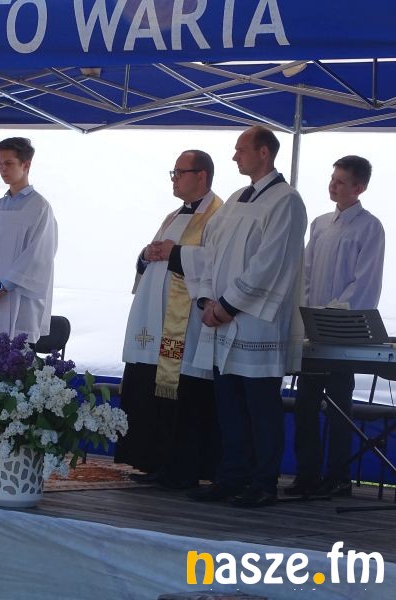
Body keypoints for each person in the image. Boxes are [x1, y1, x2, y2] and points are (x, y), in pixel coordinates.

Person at [188, 125, 308, 508]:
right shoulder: (238, 198)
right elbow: (211, 250)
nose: (234, 155)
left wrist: (229, 304)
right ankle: (231, 476)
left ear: (264, 153)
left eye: (241, 148)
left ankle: (263, 482)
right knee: (230, 407)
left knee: (261, 408)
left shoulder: (287, 200)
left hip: (256, 322)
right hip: (222, 319)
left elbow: (270, 263)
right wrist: (207, 299)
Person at [113, 150, 223, 489]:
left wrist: (175, 253)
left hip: (186, 326)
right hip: (155, 320)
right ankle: (152, 460)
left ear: (201, 176)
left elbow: (215, 261)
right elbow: (153, 256)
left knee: (182, 394)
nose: (174, 179)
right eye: (172, 173)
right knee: (150, 388)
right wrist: (146, 254)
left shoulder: (218, 216)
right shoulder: (173, 215)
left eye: (179, 172)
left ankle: (180, 467)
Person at [285, 156, 385, 498]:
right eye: (333, 179)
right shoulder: (319, 224)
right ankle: (307, 474)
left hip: (342, 333)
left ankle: (338, 477)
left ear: (359, 187)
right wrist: (307, 315)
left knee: (340, 407)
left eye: (341, 181)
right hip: (314, 332)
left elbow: (365, 282)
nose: (333, 185)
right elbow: (306, 275)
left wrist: (332, 314)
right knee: (305, 405)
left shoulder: (370, 228)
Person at [0, 137, 57, 343]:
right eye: (0, 164)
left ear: (26, 165)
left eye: (8, 163)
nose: (2, 169)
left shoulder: (40, 207)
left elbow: (37, 256)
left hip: (20, 299)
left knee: (17, 357)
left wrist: (3, 287)